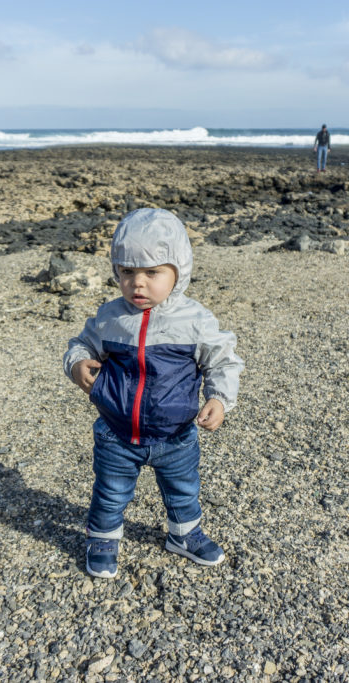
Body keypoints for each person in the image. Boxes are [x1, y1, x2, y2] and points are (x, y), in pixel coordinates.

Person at [64, 208, 244, 579]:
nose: (138, 284)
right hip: (116, 433)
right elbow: (81, 345)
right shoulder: (111, 316)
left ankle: (184, 534)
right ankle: (102, 537)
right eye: (127, 273)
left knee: (183, 491)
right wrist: (77, 364)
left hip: (176, 435)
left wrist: (219, 399)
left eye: (152, 272)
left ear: (178, 270)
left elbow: (223, 362)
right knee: (110, 493)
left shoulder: (194, 320)